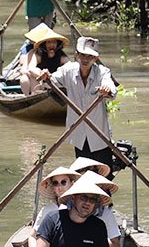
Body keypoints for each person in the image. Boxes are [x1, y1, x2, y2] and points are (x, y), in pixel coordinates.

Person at [31, 172, 125, 247]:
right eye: (83, 198)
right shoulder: (52, 218)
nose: (87, 203)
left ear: (96, 204)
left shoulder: (98, 226)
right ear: (73, 198)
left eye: (92, 200)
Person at [49, 36, 118, 168]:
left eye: (90, 56)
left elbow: (111, 90)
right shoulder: (68, 70)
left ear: (95, 58)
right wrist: (45, 76)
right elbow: (50, 81)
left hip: (100, 137)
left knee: (104, 178)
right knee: (83, 177)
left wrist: (106, 90)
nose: (85, 59)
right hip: (79, 136)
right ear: (76, 55)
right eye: (82, 55)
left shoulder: (102, 72)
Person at [19, 23, 68, 93]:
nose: (52, 45)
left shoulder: (61, 56)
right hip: (40, 80)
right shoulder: (38, 54)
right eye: (49, 42)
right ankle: (32, 96)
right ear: (44, 44)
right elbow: (31, 68)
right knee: (28, 78)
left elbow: (70, 65)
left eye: (54, 42)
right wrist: (42, 75)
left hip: (55, 80)